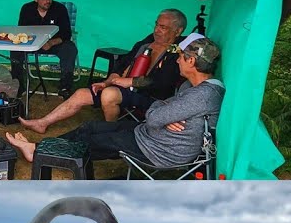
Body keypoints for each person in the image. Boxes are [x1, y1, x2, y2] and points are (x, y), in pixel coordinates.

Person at [6, 36, 223, 168]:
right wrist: (165, 114)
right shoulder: (192, 87)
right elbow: (160, 113)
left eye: (182, 56)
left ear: (192, 61)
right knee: (90, 127)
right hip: (150, 134)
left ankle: (38, 152)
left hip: (159, 150)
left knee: (91, 143)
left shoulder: (202, 95)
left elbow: (155, 115)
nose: (178, 60)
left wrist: (162, 114)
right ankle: (38, 148)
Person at [19, 9, 188, 134]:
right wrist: (106, 81)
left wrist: (129, 82)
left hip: (151, 97)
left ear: (178, 31)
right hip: (125, 89)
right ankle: (43, 122)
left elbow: (164, 83)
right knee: (81, 93)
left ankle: (110, 136)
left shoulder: (177, 51)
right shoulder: (147, 42)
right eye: (157, 25)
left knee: (109, 95)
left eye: (163, 27)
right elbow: (123, 63)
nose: (157, 30)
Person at [12, 0, 77, 97]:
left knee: (70, 48)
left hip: (54, 44)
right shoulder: (27, 9)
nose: (48, 0)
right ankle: (18, 84)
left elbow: (66, 33)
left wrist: (51, 43)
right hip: (31, 43)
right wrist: (34, 41)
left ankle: (65, 86)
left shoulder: (60, 9)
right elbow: (22, 30)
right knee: (15, 48)